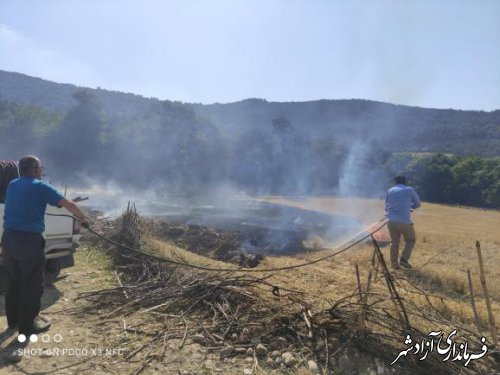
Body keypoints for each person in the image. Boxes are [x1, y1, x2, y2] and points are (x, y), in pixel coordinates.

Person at [1, 155, 89, 359]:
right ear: (34, 169)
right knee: (32, 284)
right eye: (41, 167)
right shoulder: (40, 186)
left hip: (9, 239)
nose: (42, 170)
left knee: (14, 282)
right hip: (29, 241)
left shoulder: (13, 184)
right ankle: (27, 327)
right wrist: (83, 219)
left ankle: (13, 321)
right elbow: (66, 202)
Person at [384, 175, 421, 270]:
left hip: (391, 220)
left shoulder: (389, 191)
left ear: (395, 182)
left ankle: (394, 265)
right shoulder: (409, 190)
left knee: (394, 242)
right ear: (405, 182)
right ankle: (404, 260)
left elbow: (386, 207)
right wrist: (410, 207)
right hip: (404, 220)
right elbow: (418, 204)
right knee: (410, 240)